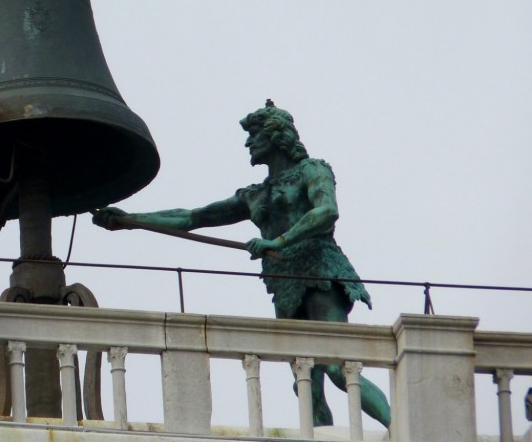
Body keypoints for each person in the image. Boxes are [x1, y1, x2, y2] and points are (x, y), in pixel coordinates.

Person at [94, 101, 391, 429]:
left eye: (254, 134)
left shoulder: (312, 170)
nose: (248, 142)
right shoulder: (254, 195)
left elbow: (326, 211)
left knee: (338, 368)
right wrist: (132, 220)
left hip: (320, 271)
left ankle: (399, 426)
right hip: (284, 283)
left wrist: (277, 242)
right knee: (305, 381)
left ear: (275, 136)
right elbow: (192, 217)